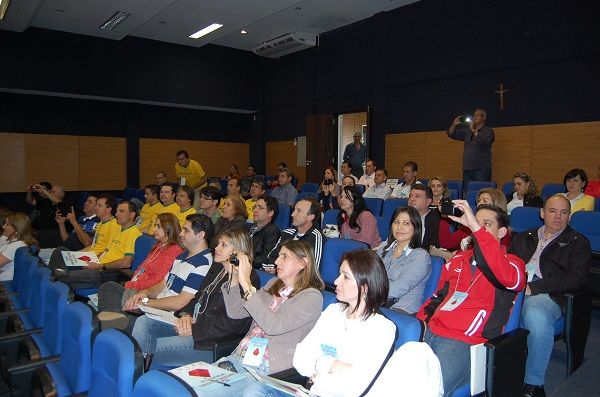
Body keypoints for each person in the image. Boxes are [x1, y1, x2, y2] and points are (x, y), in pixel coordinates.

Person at [245, 249, 395, 397]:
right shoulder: (333, 312)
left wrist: (319, 369)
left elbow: (356, 387)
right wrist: (332, 365)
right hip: (310, 390)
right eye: (339, 274)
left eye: (346, 277)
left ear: (365, 287)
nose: (336, 281)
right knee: (255, 390)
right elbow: (301, 357)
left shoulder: (382, 329)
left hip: (328, 392)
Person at [417, 201, 526, 396]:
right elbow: (436, 297)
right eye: (476, 222)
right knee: (393, 376)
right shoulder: (458, 259)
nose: (479, 228)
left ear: (501, 233)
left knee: (426, 390)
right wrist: (419, 324)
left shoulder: (514, 264)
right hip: (430, 331)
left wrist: (476, 228)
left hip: (465, 341)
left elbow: (506, 277)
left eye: (487, 224)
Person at [508, 195, 591, 397]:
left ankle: (534, 384)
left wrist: (534, 287)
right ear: (542, 213)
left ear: (570, 217)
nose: (558, 217)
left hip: (549, 295)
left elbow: (577, 279)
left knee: (536, 315)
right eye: (553, 211)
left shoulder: (578, 242)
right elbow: (507, 263)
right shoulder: (524, 236)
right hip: (515, 290)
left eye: (564, 213)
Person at [213, 239, 324, 388]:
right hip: (240, 356)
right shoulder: (273, 284)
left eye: (284, 256)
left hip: (268, 368)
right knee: (194, 385)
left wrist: (246, 283)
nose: (277, 261)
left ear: (302, 263)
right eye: (278, 256)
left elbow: (273, 326)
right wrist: (234, 277)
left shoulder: (311, 297)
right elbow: (236, 312)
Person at [148, 229, 261, 368]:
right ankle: (136, 370)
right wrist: (186, 315)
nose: (216, 248)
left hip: (211, 342)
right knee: (146, 323)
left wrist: (194, 330)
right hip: (194, 325)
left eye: (223, 245)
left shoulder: (247, 280)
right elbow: (198, 296)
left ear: (238, 252)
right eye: (218, 243)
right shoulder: (217, 267)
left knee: (160, 348)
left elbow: (232, 325)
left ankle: (144, 373)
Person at [128, 214, 214, 353]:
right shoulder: (182, 256)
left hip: (174, 317)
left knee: (142, 323)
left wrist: (144, 303)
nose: (180, 233)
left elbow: (180, 302)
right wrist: (144, 293)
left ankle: (137, 366)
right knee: (129, 315)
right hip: (157, 308)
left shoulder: (203, 264)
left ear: (200, 235)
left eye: (186, 230)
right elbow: (163, 283)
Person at [96, 213, 184, 330]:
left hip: (149, 294)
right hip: (137, 286)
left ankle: (115, 323)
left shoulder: (174, 251)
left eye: (158, 226)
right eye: (154, 226)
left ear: (169, 228)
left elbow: (158, 282)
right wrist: (132, 281)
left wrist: (133, 284)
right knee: (108, 287)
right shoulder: (159, 245)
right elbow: (142, 267)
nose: (154, 229)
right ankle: (113, 321)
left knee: (119, 293)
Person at [53, 201, 142, 289]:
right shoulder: (119, 229)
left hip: (107, 273)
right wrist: (93, 261)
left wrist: (100, 266)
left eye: (121, 211)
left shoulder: (134, 234)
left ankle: (54, 291)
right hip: (97, 265)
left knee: (64, 276)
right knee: (60, 252)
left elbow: (126, 263)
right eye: (117, 211)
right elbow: (106, 250)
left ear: (132, 214)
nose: (117, 214)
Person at [377, 207, 431, 314]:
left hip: (401, 310)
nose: (399, 227)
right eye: (396, 222)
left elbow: (398, 288)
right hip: (376, 303)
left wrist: (366, 293)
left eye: (406, 223)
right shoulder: (383, 250)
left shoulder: (420, 256)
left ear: (416, 228)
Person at [437, 187, 509, 254]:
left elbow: (491, 255)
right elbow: (447, 243)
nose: (479, 203)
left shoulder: (501, 231)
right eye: (479, 200)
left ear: (497, 204)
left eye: (485, 201)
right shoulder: (469, 224)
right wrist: (445, 217)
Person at [263, 198, 325, 272]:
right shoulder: (287, 233)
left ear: (310, 216)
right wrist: (275, 268)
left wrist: (279, 269)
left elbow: (312, 271)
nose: (292, 214)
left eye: (299, 211)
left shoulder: (316, 237)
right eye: (294, 210)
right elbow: (269, 259)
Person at [447, 109, 495, 193]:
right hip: (467, 168)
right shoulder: (467, 131)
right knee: (467, 192)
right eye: (474, 115)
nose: (475, 117)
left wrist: (473, 130)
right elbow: (451, 134)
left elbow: (484, 141)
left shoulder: (488, 131)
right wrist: (454, 125)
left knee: (482, 192)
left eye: (477, 115)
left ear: (484, 117)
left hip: (481, 169)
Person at [26, 182, 65, 248]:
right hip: (37, 230)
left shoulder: (63, 205)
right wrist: (29, 192)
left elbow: (59, 202)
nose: (50, 194)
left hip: (51, 232)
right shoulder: (46, 202)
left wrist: (43, 191)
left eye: (53, 192)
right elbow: (30, 201)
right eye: (51, 192)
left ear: (61, 194)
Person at [0, 213, 37, 281]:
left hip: (4, 281)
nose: (3, 227)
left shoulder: (16, 245)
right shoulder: (15, 242)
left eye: (7, 224)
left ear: (16, 229)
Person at [249, 196, 281, 270]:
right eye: (255, 207)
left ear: (270, 213)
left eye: (260, 208)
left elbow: (265, 259)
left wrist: (244, 261)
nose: (255, 210)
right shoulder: (251, 228)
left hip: (255, 270)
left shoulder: (272, 232)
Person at [408, 185, 439, 251]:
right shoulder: (402, 216)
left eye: (417, 196)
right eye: (410, 196)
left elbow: (432, 248)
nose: (412, 199)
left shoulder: (435, 220)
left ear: (428, 202)